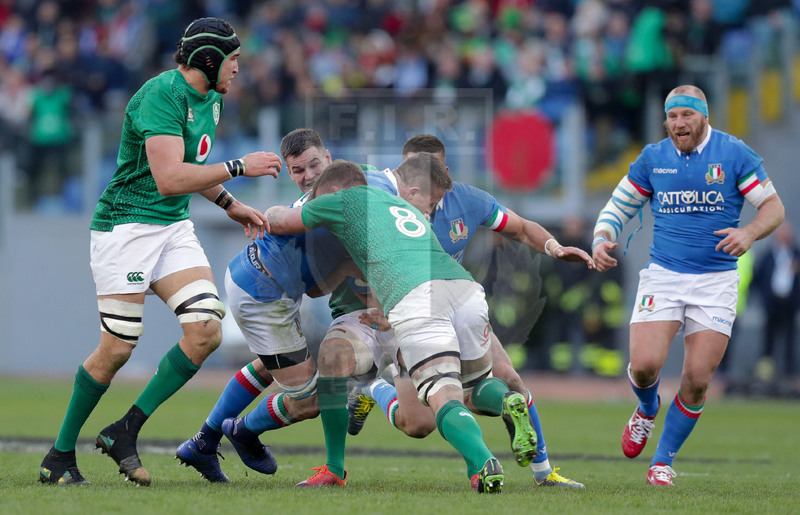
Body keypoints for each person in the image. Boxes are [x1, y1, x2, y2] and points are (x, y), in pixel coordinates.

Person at [38, 17, 283, 486]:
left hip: (171, 227)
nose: (238, 70)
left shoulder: (211, 99)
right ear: (208, 62)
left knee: (206, 330)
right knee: (117, 348)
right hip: (125, 228)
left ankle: (124, 430)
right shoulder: (160, 95)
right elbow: (171, 177)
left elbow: (190, 169)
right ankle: (59, 456)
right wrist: (237, 168)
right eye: (232, 61)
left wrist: (231, 204)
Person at [345, 134, 593, 487]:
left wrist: (554, 247)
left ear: (443, 172)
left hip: (456, 304)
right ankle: (372, 390)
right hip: (408, 315)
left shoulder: (469, 201)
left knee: (508, 378)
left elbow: (520, 228)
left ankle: (544, 473)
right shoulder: (381, 201)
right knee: (418, 424)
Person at [268, 157, 526, 493]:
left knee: (440, 398)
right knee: (464, 392)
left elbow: (280, 221)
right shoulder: (397, 203)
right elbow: (375, 260)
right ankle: (507, 402)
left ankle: (481, 462)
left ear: (333, 191)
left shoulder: (341, 200)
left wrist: (263, 211)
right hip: (461, 291)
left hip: (414, 302)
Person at [591, 85, 785, 486]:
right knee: (644, 366)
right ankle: (647, 408)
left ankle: (662, 461)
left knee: (697, 378)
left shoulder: (733, 154)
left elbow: (774, 208)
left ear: (704, 116)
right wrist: (601, 236)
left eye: (687, 115)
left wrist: (748, 234)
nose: (679, 123)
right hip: (664, 276)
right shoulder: (654, 158)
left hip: (716, 281)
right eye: (673, 116)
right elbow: (618, 206)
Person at [175, 128, 373, 482]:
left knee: (270, 366)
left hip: (258, 281)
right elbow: (286, 223)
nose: (308, 175)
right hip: (263, 295)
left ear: (328, 159)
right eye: (297, 171)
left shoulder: (329, 197)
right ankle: (243, 431)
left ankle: (203, 442)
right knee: (311, 400)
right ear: (288, 172)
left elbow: (317, 284)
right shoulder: (333, 204)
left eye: (314, 165)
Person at [751, 221, 800, 395]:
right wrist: (763, 299)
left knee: (789, 341)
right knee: (768, 342)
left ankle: (789, 377)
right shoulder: (768, 255)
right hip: (772, 304)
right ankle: (765, 378)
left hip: (790, 304)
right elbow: (758, 278)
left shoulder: (796, 255)